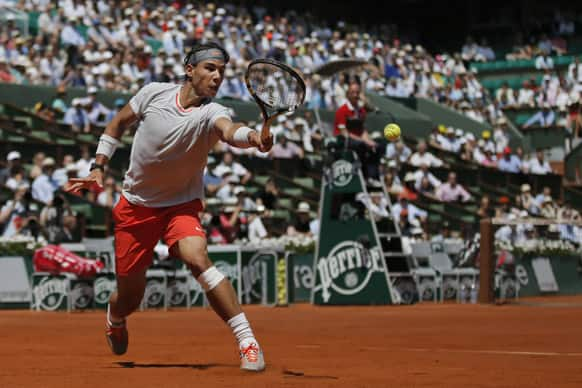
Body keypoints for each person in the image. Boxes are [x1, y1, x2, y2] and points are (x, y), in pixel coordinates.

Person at [65, 43, 270, 371]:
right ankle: (115, 317)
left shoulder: (211, 112)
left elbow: (230, 131)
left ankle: (248, 342)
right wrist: (98, 165)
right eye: (210, 68)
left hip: (181, 205)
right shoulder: (153, 93)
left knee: (197, 258)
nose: (217, 76)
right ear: (190, 70)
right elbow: (116, 124)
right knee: (130, 297)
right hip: (136, 206)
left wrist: (252, 138)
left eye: (222, 71)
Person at [333, 81, 383, 183]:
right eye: (353, 92)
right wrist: (364, 141)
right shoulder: (342, 110)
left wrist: (369, 141)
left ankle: (372, 177)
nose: (355, 95)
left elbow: (362, 130)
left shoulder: (361, 111)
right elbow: (344, 132)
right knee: (362, 145)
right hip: (343, 140)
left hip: (358, 140)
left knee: (377, 147)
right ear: (348, 95)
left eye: (357, 92)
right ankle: (362, 175)